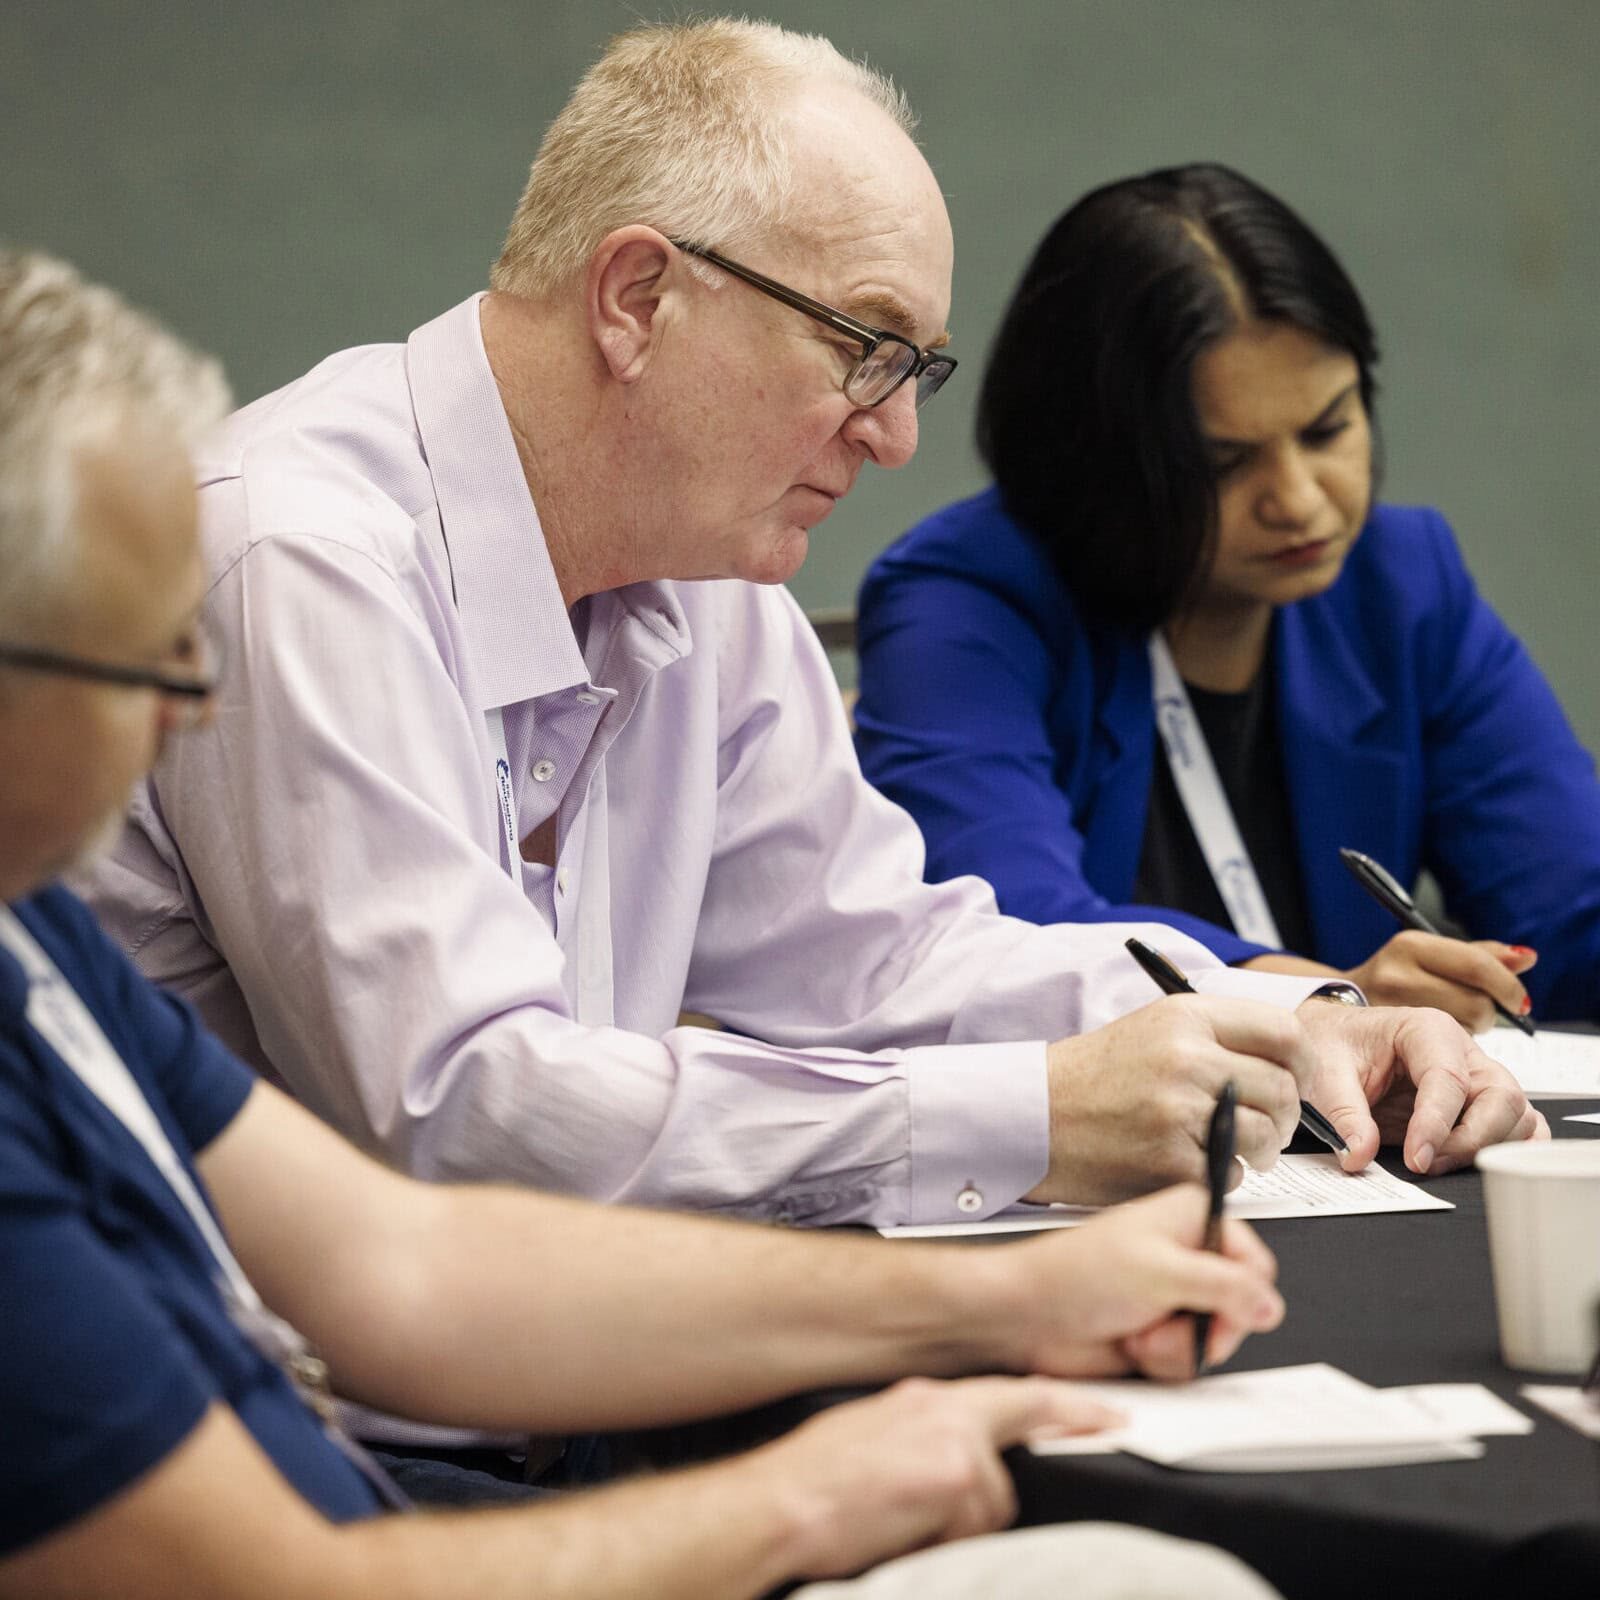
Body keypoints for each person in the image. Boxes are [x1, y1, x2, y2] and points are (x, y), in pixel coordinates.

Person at [0, 245, 1307, 1600]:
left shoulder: (38, 946)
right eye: (142, 657)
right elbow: (293, 1581)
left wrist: (1006, 1301)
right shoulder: (297, 552)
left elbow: (408, 1266)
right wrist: (812, 1497)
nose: (184, 711)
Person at [80, 26, 1537, 1235]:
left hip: (581, 1373)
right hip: (303, 1452)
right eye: (864, 348)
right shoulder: (303, 557)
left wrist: (1293, 1019)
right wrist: (1031, 1118)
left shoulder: (711, 585)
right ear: (639, 296)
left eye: (918, 368)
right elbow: (460, 1114)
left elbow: (880, 967)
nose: (899, 437)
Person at [856, 161, 1600, 1029]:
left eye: (1329, 428)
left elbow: (1571, 916)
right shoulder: (962, 600)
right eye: (1222, 463)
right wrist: (1327, 1000)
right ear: (1093, 459)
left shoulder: (1400, 583)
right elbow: (1007, 929)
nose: (1302, 498)